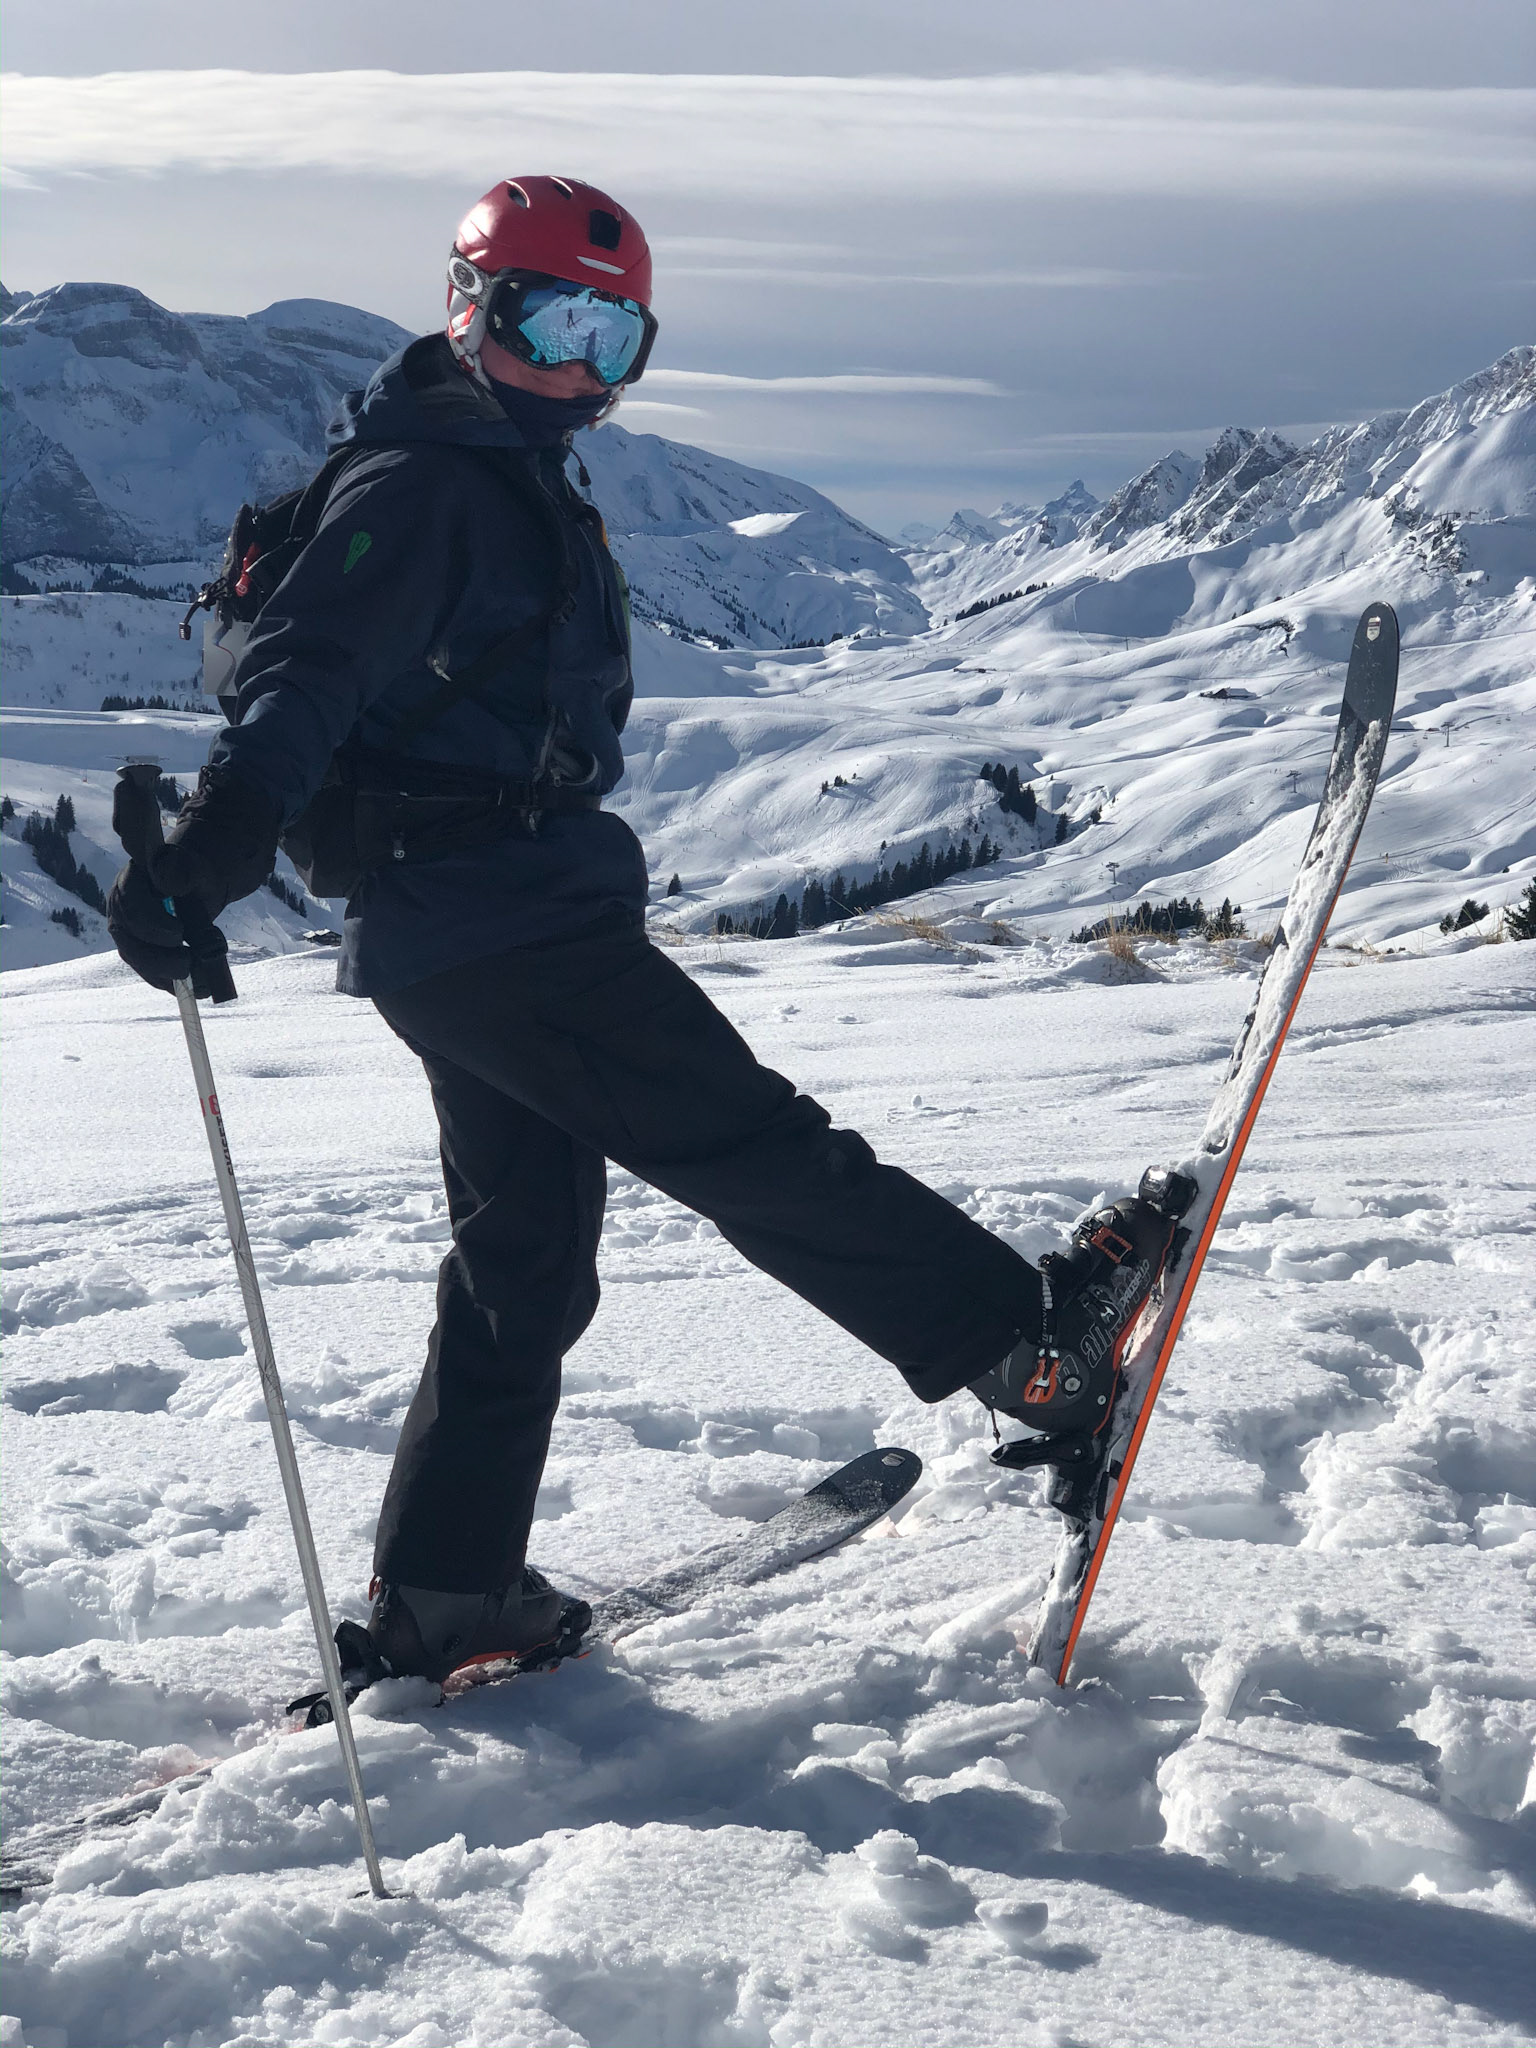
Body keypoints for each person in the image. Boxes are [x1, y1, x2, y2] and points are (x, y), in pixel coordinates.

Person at [107, 176, 1179, 1685]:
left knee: (524, 1257)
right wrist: (208, 853)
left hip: (474, 924)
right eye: (553, 320)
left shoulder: (502, 468)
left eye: (618, 338)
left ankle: (448, 1593)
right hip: (500, 926)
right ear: (468, 306)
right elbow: (306, 675)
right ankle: (1031, 1355)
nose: (581, 367)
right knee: (740, 1137)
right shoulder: (423, 484)